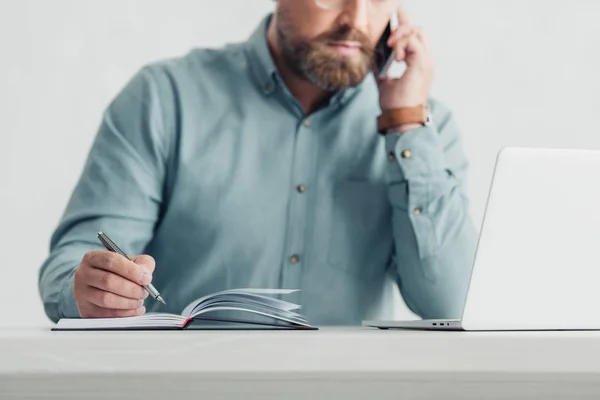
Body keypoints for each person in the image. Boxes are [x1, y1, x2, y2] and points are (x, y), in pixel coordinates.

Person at [38, 0, 478, 325]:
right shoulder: (162, 99)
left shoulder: (424, 131)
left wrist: (404, 124)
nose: (356, 20)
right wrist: (89, 288)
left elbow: (452, 303)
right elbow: (70, 264)